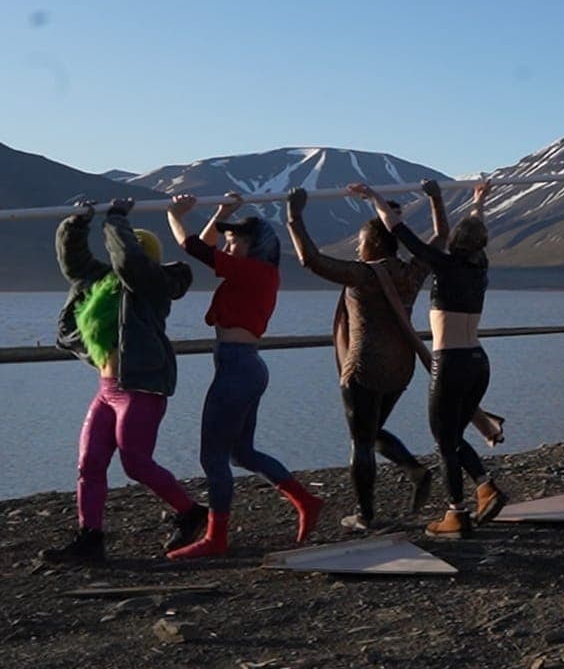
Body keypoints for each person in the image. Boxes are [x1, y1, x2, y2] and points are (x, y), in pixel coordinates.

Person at [161, 192, 324, 558]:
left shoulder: (254, 271)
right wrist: (221, 213)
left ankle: (217, 537)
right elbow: (207, 245)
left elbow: (193, 248)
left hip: (237, 368)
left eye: (237, 241)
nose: (229, 245)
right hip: (244, 366)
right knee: (241, 453)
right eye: (229, 240)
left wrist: (174, 214)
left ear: (256, 247)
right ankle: (305, 500)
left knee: (213, 457)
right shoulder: (257, 272)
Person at [41, 200, 204, 564]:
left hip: (141, 388)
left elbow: (131, 263)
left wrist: (116, 219)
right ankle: (91, 537)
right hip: (107, 390)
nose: (117, 257)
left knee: (136, 463)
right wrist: (77, 223)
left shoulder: (152, 285)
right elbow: (74, 263)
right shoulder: (102, 283)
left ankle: (191, 512)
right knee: (89, 463)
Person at [283, 183, 443, 531]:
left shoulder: (362, 274)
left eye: (360, 243)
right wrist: (436, 200)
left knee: (361, 441)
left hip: (365, 368)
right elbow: (440, 238)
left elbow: (310, 260)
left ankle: (365, 515)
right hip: (400, 369)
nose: (357, 249)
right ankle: (414, 470)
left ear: (371, 244)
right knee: (371, 432)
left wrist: (293, 217)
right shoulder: (410, 272)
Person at [353, 181, 509, 537]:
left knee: (444, 442)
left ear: (456, 243)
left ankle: (456, 514)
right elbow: (475, 230)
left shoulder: (444, 264)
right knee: (453, 435)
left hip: (450, 364)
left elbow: (397, 229)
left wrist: (374, 197)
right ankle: (485, 487)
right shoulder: (479, 267)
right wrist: (478, 202)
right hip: (477, 363)